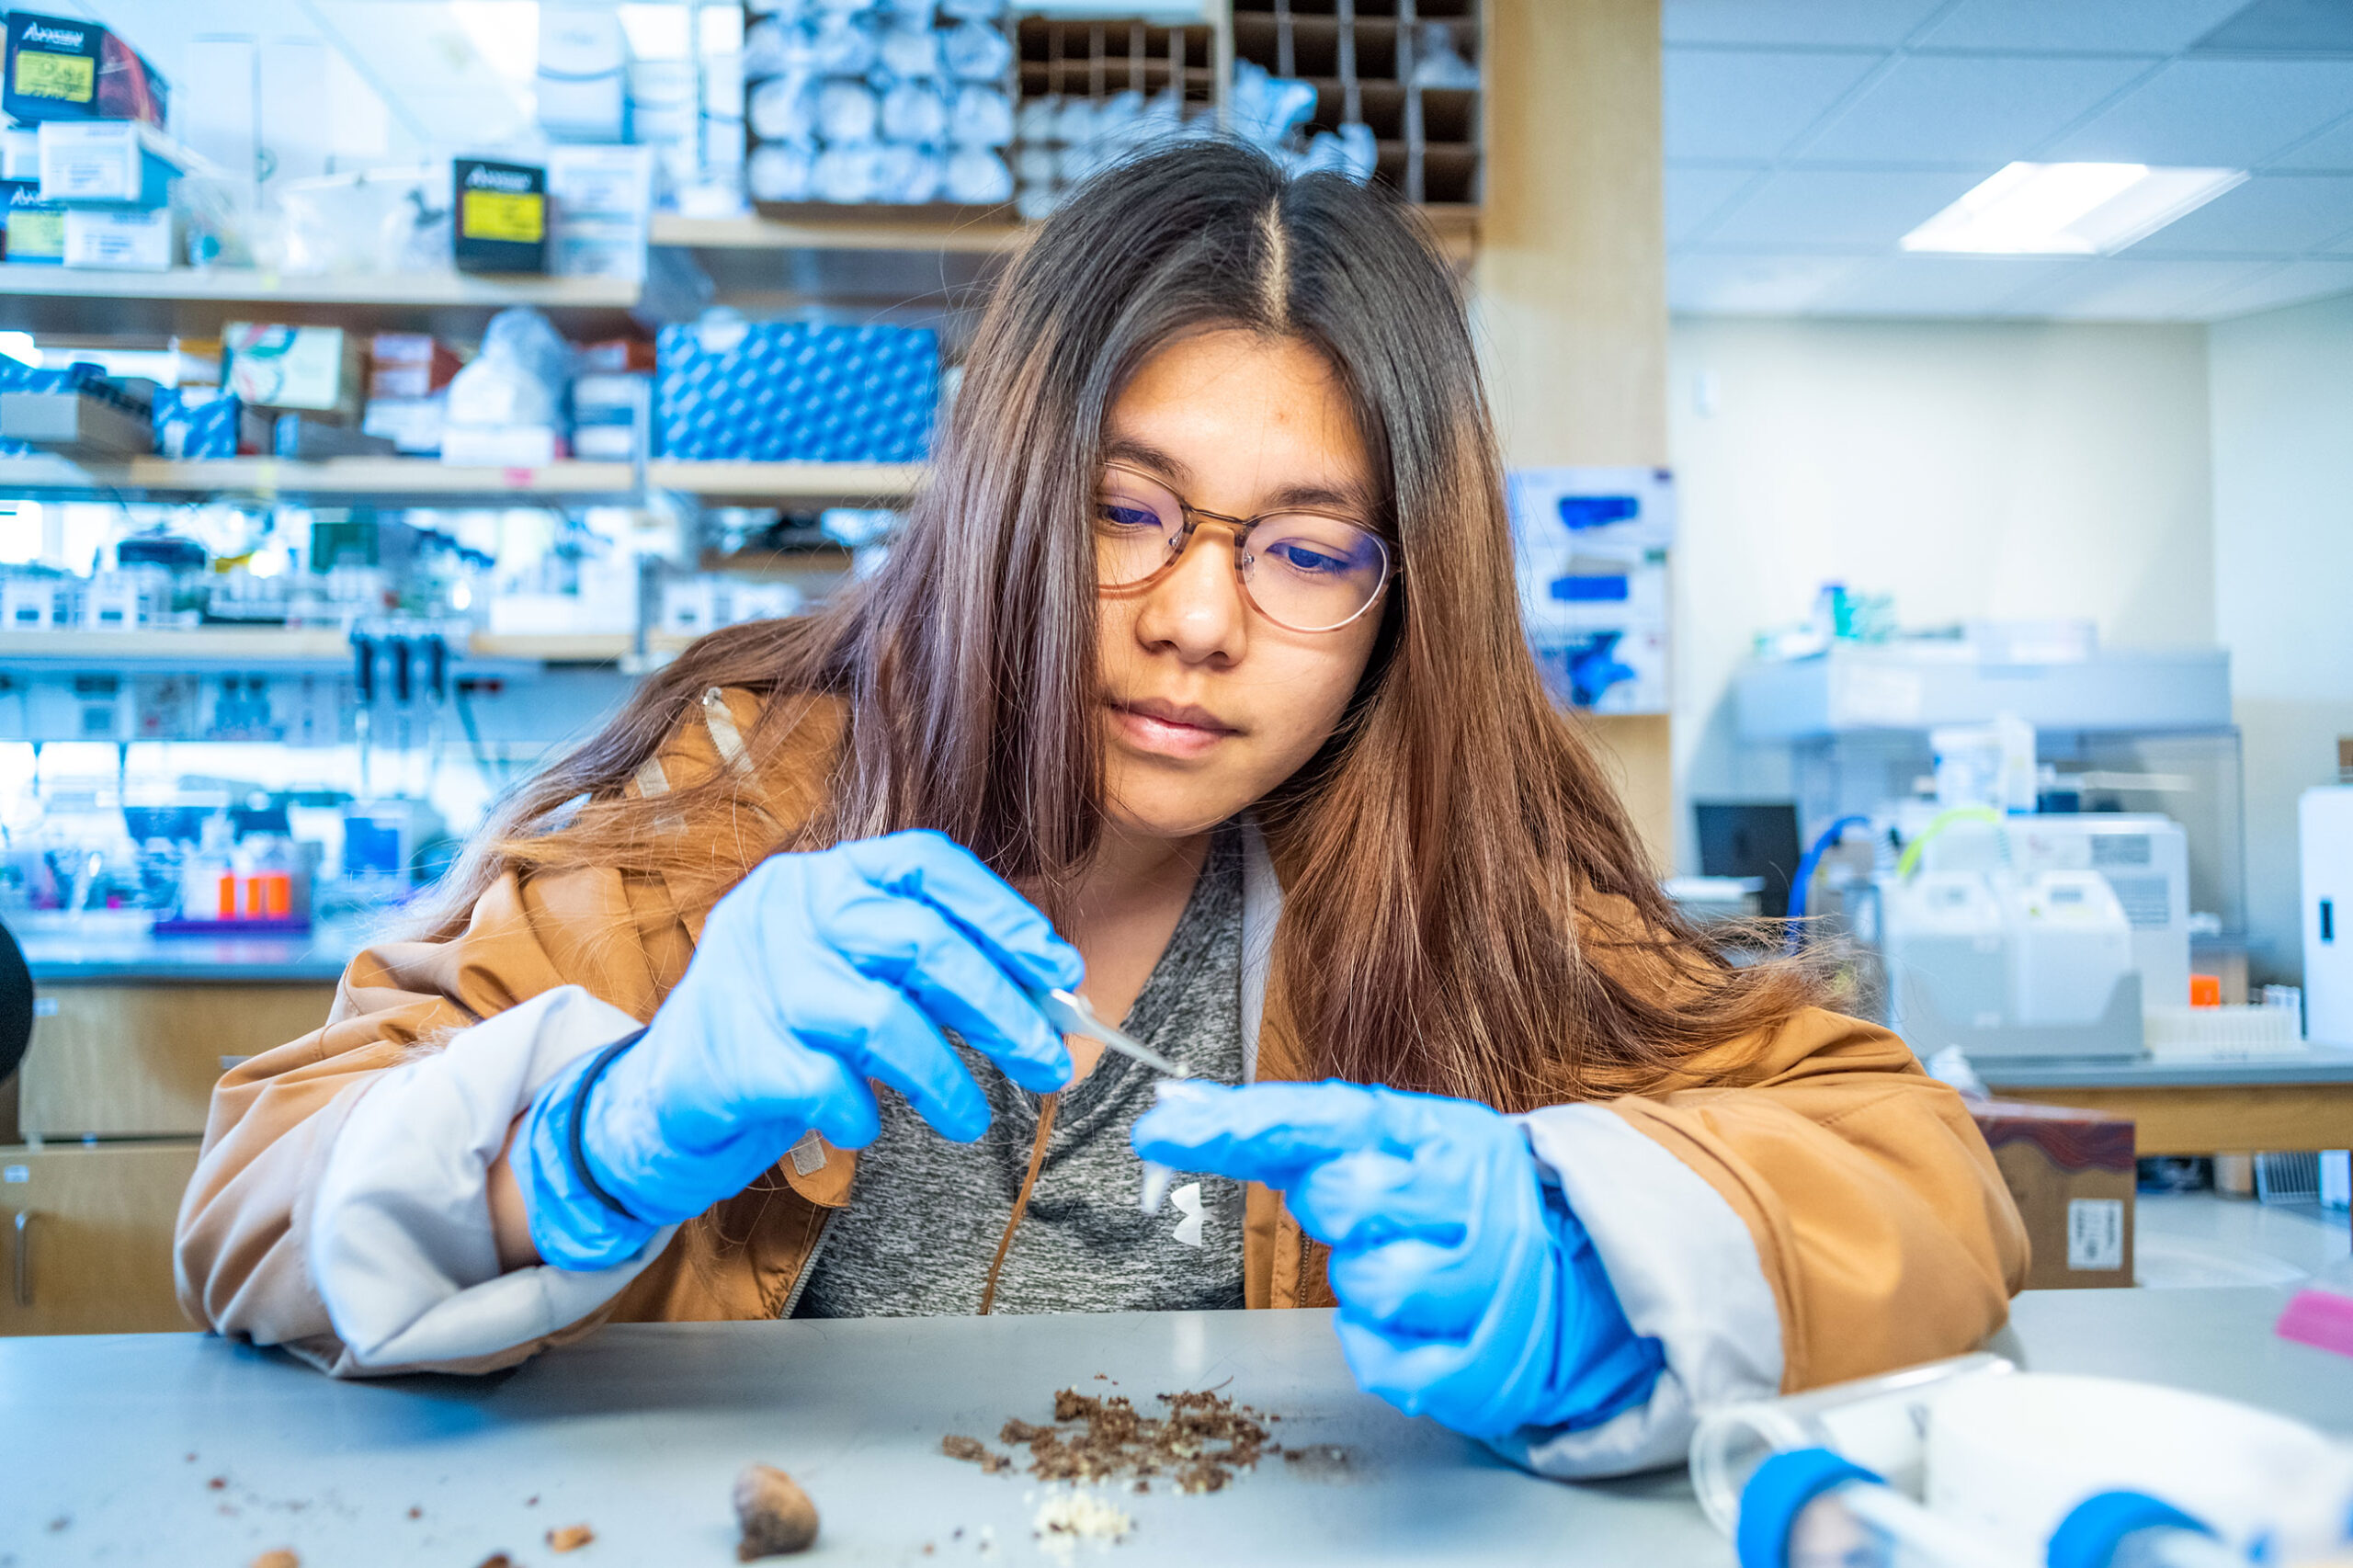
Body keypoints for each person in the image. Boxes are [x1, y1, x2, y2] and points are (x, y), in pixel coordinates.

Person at [176, 141, 2026, 1480]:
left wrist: (1590, 1248)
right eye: (1125, 510)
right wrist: (593, 1132)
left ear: (1401, 600)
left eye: (1307, 550)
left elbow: (1918, 1171)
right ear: (1001, 494)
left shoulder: (1461, 876)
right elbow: (254, 1196)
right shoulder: (734, 791)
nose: (1196, 618)